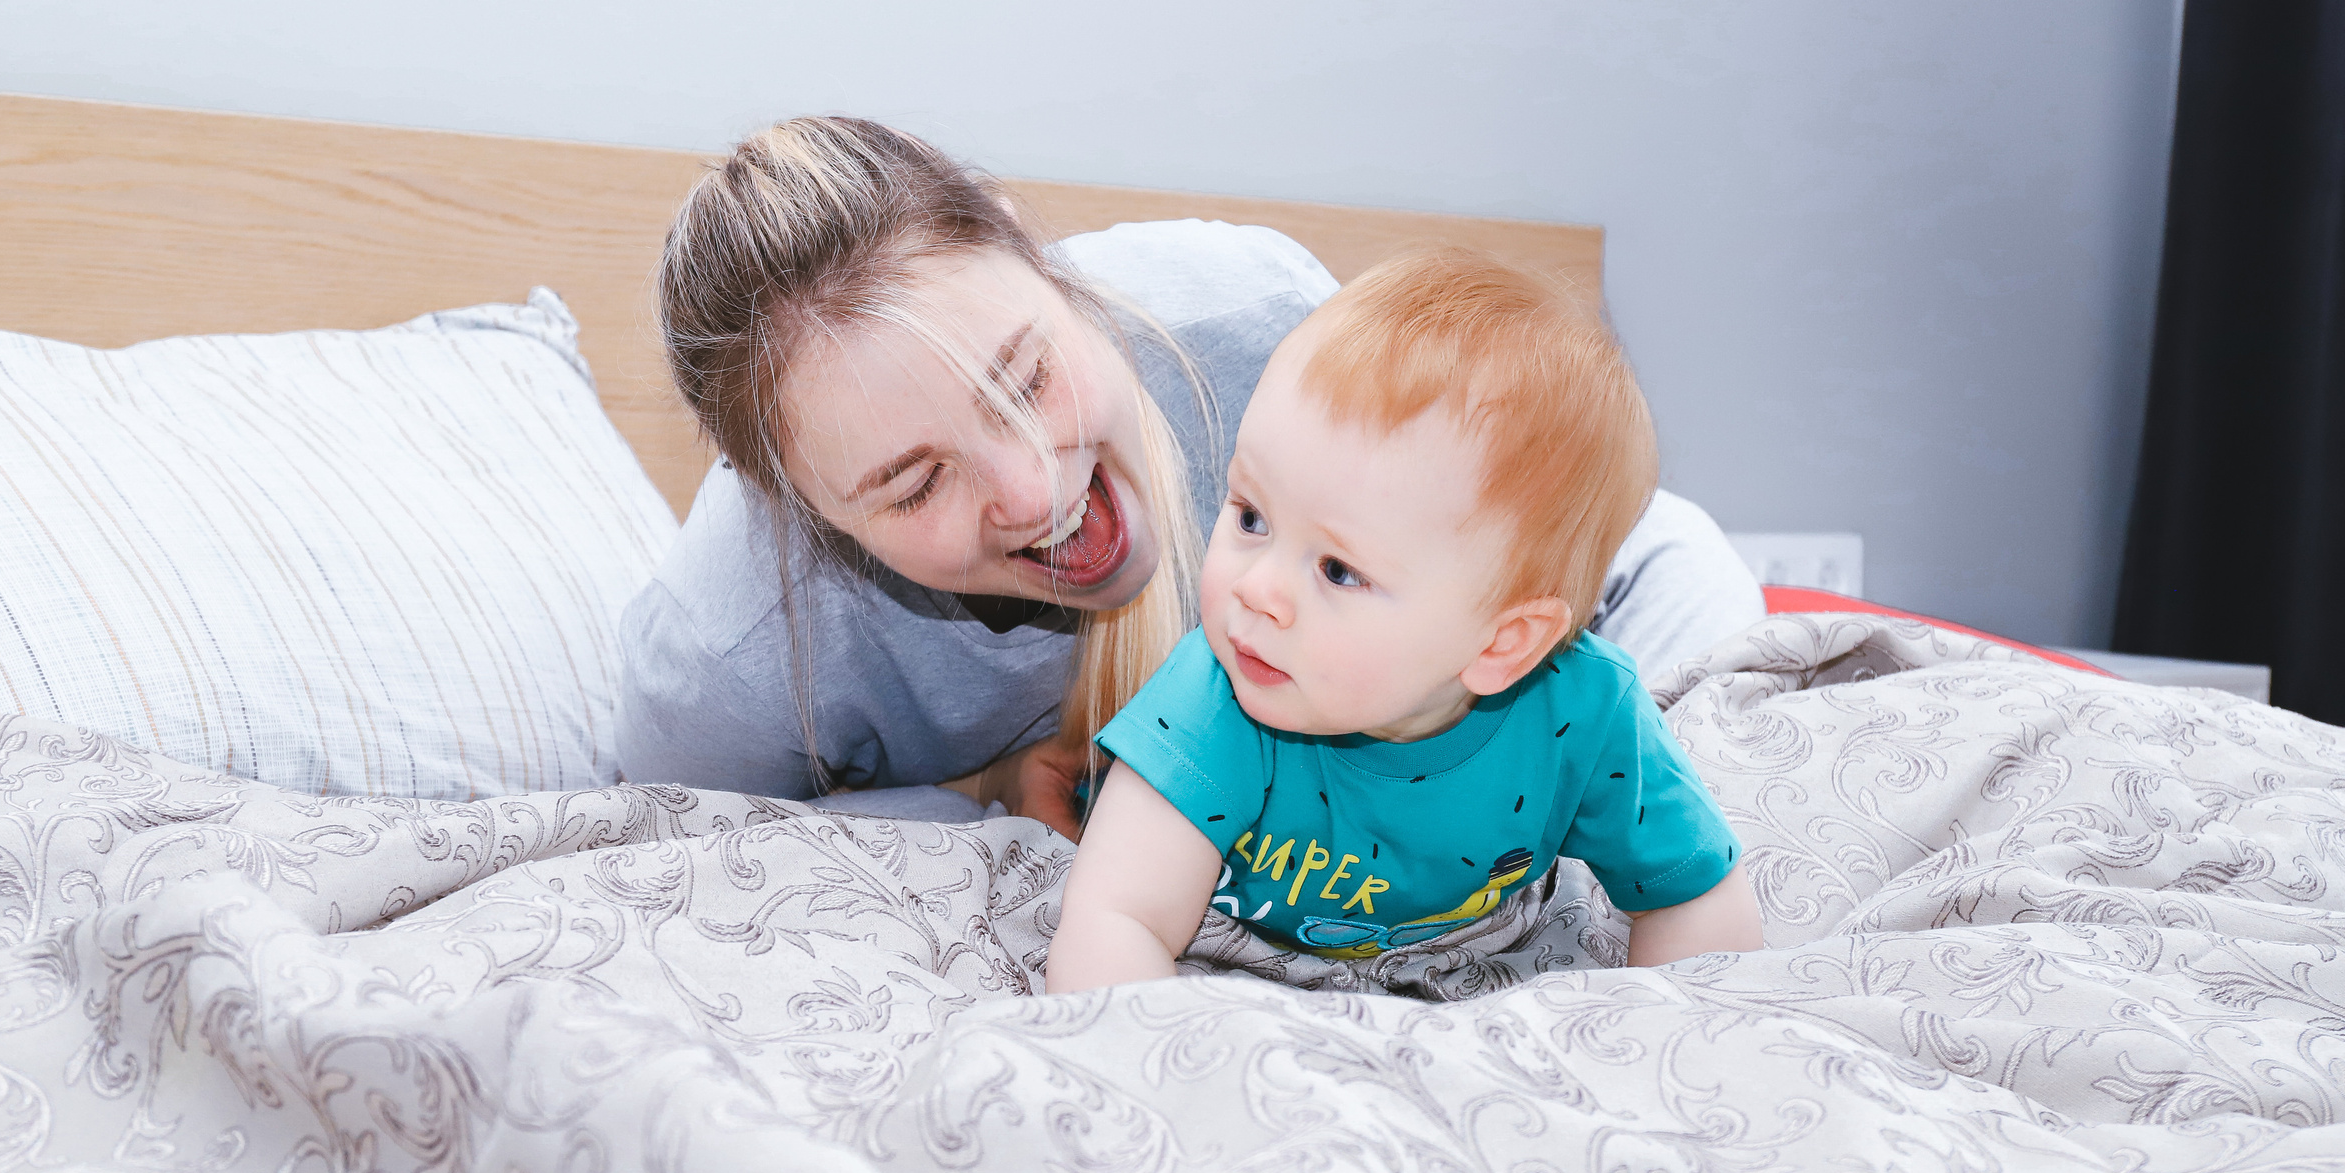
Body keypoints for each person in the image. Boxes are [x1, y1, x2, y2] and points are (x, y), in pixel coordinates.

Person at [618, 117, 1765, 834]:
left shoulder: (1248, 324)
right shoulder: (724, 663)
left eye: (1024, 376)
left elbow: (1648, 557)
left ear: (1040, 261)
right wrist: (987, 793)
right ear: (794, 508)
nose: (1029, 490)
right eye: (912, 487)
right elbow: (688, 871)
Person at [1046, 249, 1765, 988]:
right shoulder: (1213, 693)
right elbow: (1114, 920)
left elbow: (1699, 895)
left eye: (1338, 569)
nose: (1257, 590)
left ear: (1502, 642)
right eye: (1252, 516)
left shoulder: (1584, 711)